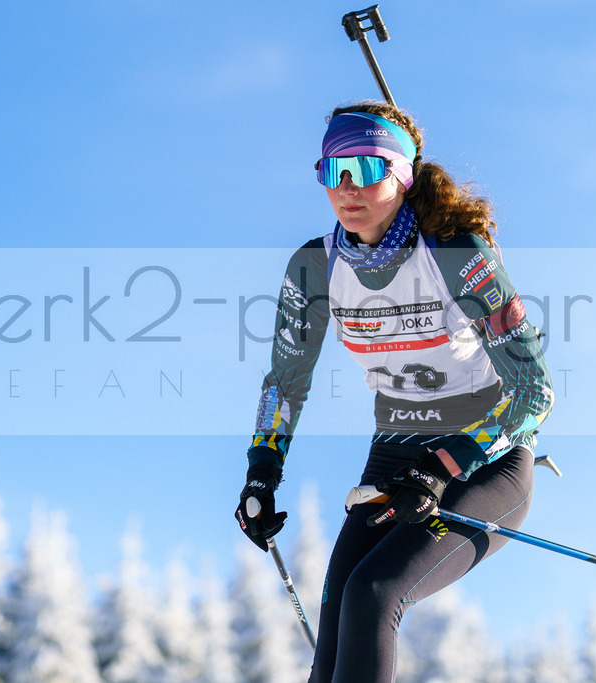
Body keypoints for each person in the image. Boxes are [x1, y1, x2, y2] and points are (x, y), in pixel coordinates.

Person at [235, 101, 554, 682]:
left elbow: (534, 392)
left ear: (403, 176)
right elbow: (286, 381)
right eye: (334, 171)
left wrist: (443, 466)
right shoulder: (315, 266)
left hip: (484, 460)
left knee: (374, 595)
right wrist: (262, 473)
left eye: (366, 169)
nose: (347, 188)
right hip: (396, 453)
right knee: (335, 627)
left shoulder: (455, 252)